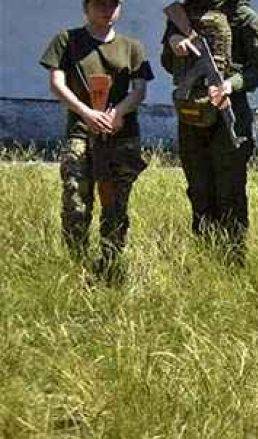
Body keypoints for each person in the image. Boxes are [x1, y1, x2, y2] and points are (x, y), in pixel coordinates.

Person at [41, 0, 152, 284]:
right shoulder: (68, 40)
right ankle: (75, 266)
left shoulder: (132, 47)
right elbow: (57, 83)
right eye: (100, 4)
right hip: (81, 130)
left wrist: (117, 113)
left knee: (115, 204)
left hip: (121, 136)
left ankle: (110, 266)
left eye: (113, 5)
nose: (107, 10)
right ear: (86, 8)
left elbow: (139, 90)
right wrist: (87, 113)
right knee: (76, 200)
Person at [161, 0, 258, 267]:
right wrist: (175, 44)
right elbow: (167, 62)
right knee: (198, 188)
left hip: (229, 116)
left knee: (230, 190)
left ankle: (233, 260)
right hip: (192, 114)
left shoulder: (244, 17)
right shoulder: (182, 15)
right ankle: (204, 258)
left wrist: (230, 85)